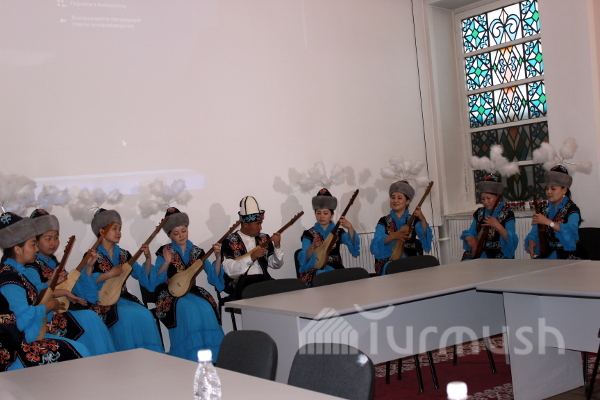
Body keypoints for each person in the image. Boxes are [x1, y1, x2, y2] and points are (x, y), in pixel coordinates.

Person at [0, 212, 90, 371]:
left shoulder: (18, 272)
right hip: (15, 347)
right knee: (78, 351)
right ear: (17, 249)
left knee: (80, 346)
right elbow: (20, 321)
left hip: (28, 335)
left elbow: (35, 297)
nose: (36, 249)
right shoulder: (9, 279)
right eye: (32, 244)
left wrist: (52, 286)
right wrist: (48, 306)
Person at [23, 209, 116, 356]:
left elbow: (78, 289)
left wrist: (89, 267)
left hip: (61, 310)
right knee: (89, 318)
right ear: (36, 241)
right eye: (48, 238)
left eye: (56, 238)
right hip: (46, 319)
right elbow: (34, 295)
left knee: (91, 315)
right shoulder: (31, 267)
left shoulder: (53, 262)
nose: (53, 243)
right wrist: (64, 291)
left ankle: (101, 359)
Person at [75, 208, 164, 353]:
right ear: (102, 231)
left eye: (119, 229)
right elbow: (84, 283)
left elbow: (143, 277)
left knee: (145, 314)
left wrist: (148, 258)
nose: (118, 233)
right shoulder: (91, 255)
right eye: (114, 229)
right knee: (125, 318)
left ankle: (146, 356)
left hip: (123, 298)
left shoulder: (124, 254)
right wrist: (109, 274)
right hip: (103, 301)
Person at [145, 207, 224, 362]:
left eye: (184, 231)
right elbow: (154, 282)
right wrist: (166, 263)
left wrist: (218, 257)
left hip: (192, 291)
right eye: (176, 233)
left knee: (207, 308)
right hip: (169, 294)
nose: (181, 235)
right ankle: (188, 357)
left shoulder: (196, 251)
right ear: (169, 235)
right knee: (189, 311)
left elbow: (214, 278)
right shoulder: (164, 251)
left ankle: (211, 356)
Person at [221, 196, 283, 299]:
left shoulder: (264, 238)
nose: (260, 227)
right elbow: (229, 270)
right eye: (257, 224)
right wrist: (251, 257)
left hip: (263, 280)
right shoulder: (229, 241)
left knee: (283, 290)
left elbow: (276, 265)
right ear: (245, 224)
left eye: (261, 223)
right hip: (242, 283)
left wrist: (277, 246)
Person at [298, 188, 360, 286]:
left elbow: (353, 244)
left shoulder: (338, 232)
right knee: (323, 277)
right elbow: (303, 259)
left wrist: (350, 227)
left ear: (332, 215)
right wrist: (312, 247)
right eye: (318, 213)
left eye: (325, 213)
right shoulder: (308, 234)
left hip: (336, 268)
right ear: (315, 214)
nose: (322, 216)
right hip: (316, 270)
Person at [370, 180, 433, 275]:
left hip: (410, 258)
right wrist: (393, 236)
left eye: (399, 198)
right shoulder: (383, 221)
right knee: (393, 267)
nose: (395, 201)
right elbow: (376, 242)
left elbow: (425, 237)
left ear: (408, 201)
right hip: (389, 259)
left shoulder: (414, 220)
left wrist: (422, 219)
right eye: (393, 197)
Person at [525, 165, 587, 259]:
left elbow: (571, 232)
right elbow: (535, 232)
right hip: (551, 252)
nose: (549, 192)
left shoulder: (572, 210)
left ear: (564, 190)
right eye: (547, 188)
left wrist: (548, 222)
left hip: (569, 253)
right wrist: (531, 241)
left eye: (553, 189)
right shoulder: (544, 210)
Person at [460, 175, 518, 260]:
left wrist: (498, 226)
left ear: (498, 197)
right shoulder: (480, 212)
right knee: (467, 261)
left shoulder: (507, 214)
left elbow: (511, 241)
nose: (486, 202)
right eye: (483, 199)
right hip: (480, 252)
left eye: (489, 198)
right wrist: (469, 238)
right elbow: (471, 232)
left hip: (499, 252)